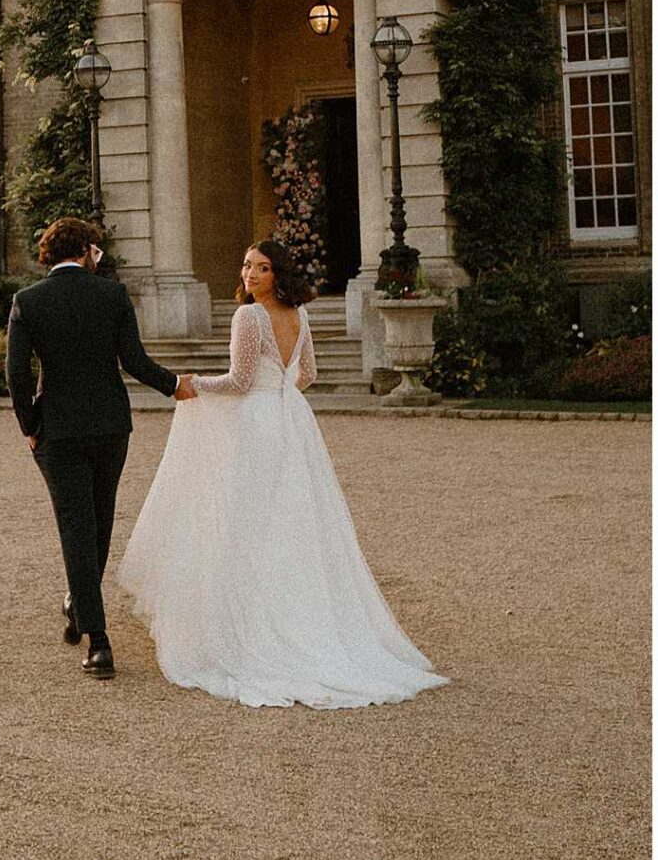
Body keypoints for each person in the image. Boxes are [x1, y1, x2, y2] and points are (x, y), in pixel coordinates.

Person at [118, 238, 447, 710]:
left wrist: (192, 385)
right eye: (247, 265)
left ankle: (253, 626)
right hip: (292, 421)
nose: (250, 275)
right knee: (292, 523)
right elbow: (306, 373)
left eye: (262, 268)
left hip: (256, 424)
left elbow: (239, 382)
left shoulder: (249, 317)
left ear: (278, 274)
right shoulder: (300, 315)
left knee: (246, 522)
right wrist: (281, 396)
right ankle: (302, 616)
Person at [6, 214, 195, 681]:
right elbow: (133, 360)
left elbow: (16, 375)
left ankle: (98, 640)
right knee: (100, 519)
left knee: (76, 527)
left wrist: (31, 424)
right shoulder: (111, 295)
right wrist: (174, 386)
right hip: (111, 425)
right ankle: (85, 611)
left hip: (59, 429)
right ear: (88, 251)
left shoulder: (27, 301)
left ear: (50, 254)